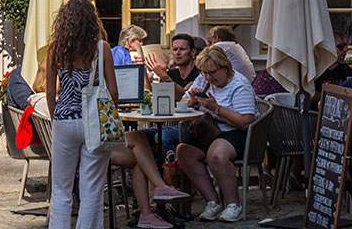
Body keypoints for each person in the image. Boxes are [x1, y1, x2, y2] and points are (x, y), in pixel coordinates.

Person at [46, 0, 116, 229]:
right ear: (92, 21)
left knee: (61, 187)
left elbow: (49, 92)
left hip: (64, 119)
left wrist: (58, 114)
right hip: (94, 120)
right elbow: (113, 92)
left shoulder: (55, 49)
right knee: (92, 187)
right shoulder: (101, 48)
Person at [175, 46, 257, 223]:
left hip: (235, 131)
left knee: (217, 155)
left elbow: (245, 121)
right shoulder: (205, 79)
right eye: (204, 73)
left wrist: (216, 108)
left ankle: (233, 204)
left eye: (212, 73)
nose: (208, 78)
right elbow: (184, 101)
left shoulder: (240, 85)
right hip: (208, 129)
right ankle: (212, 201)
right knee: (184, 152)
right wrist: (191, 101)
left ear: (225, 68)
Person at [110, 130, 186, 229]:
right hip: (91, 143)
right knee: (138, 138)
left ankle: (146, 214)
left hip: (98, 139)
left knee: (140, 154)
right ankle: (160, 187)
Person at [142, 33, 200, 161]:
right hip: (169, 124)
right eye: (175, 49)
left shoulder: (199, 75)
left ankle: (172, 169)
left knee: (162, 137)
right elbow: (151, 95)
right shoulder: (171, 74)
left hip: (190, 127)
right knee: (138, 136)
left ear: (192, 52)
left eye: (182, 49)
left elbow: (183, 95)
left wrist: (163, 76)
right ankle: (155, 172)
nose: (177, 53)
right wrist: (144, 70)